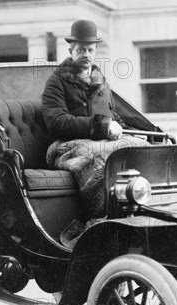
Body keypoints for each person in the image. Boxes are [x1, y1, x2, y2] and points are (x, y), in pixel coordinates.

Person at [41, 19, 148, 245]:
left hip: (100, 142)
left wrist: (132, 132)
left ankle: (140, 209)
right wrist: (102, 126)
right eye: (81, 49)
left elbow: (114, 118)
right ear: (71, 50)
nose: (86, 54)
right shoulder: (56, 82)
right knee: (99, 159)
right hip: (65, 146)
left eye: (90, 49)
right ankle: (100, 223)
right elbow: (57, 121)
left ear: (95, 51)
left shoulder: (101, 83)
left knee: (141, 148)